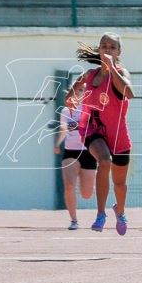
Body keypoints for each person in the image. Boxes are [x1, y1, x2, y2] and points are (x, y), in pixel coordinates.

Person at [71, 32, 135, 235]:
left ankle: (120, 211)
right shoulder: (90, 74)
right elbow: (73, 90)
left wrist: (111, 69)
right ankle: (100, 213)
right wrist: (70, 98)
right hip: (93, 129)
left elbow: (129, 93)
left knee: (120, 183)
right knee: (104, 161)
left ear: (118, 52)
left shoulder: (122, 72)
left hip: (118, 134)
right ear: (99, 49)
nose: (107, 49)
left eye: (112, 47)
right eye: (104, 46)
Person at [53, 82, 98, 229]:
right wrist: (57, 143)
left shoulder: (93, 110)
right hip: (71, 151)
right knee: (69, 184)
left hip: (89, 152)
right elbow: (64, 130)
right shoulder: (66, 111)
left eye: (82, 90)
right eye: (76, 90)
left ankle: (84, 177)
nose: (79, 92)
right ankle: (73, 220)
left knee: (86, 194)